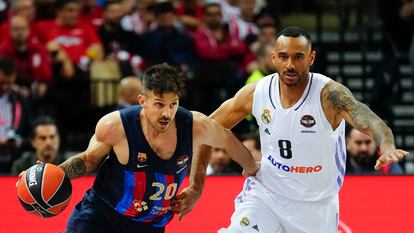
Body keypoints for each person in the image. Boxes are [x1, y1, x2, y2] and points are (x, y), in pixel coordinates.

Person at [174, 26, 409, 232]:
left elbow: (370, 120)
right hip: (267, 193)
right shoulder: (256, 93)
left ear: (311, 58)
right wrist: (196, 185)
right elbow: (207, 130)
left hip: (317, 204)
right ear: (273, 57)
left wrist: (386, 144)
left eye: (298, 57)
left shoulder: (329, 95)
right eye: (284, 57)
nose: (290, 65)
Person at [46, 63, 258, 233]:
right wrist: (55, 173)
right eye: (158, 104)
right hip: (102, 214)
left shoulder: (194, 124)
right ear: (142, 101)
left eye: (173, 104)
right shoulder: (115, 125)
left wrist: (249, 168)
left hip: (149, 224)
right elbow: (87, 160)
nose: (166, 113)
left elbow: (228, 140)